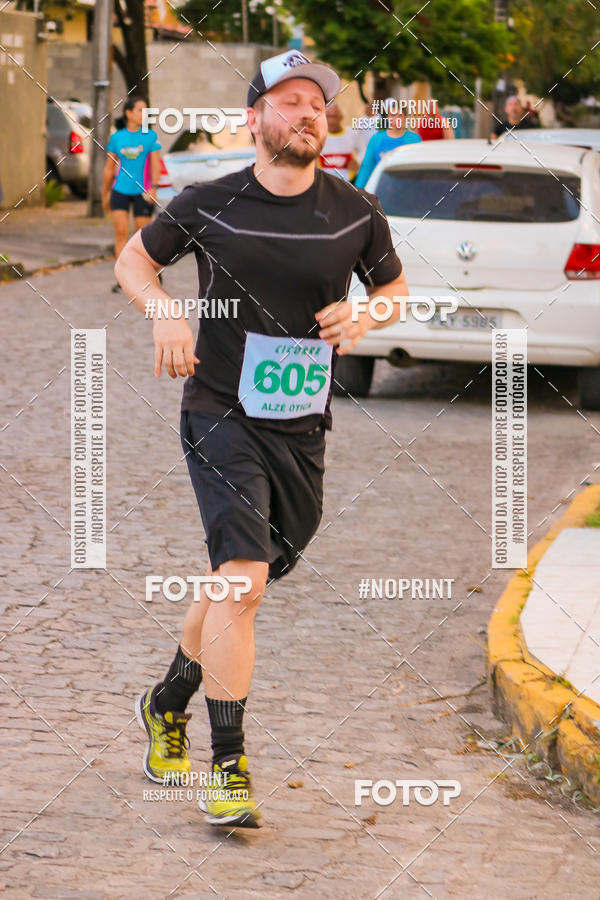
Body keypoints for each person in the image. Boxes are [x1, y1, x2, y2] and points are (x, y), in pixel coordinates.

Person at [115, 48, 408, 829]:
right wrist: (167, 311)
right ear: (254, 119)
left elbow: (393, 291)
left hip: (303, 427)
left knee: (234, 585)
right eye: (287, 101)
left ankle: (166, 700)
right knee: (241, 579)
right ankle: (230, 766)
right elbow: (135, 261)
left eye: (317, 102)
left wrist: (368, 315)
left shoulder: (354, 210)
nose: (307, 111)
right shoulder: (208, 200)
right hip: (218, 412)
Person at [102, 96, 161, 292]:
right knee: (120, 234)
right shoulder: (117, 138)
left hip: (142, 193)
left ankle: (147, 275)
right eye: (139, 110)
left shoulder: (150, 137)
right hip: (120, 191)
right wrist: (104, 194)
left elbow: (155, 165)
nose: (143, 115)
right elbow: (109, 169)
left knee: (141, 236)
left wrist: (153, 187)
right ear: (128, 113)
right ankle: (123, 279)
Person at [354, 111, 421, 189]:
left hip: (407, 187)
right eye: (392, 115)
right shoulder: (376, 139)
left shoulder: (415, 139)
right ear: (387, 119)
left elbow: (419, 166)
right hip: (381, 188)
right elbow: (367, 166)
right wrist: (358, 189)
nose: (396, 119)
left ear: (405, 118)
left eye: (400, 115)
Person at [318, 102, 361, 181]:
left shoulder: (351, 133)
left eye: (334, 116)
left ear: (341, 117)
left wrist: (357, 163)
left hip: (348, 183)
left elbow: (363, 150)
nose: (331, 120)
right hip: (324, 183)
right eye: (328, 116)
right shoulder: (318, 135)